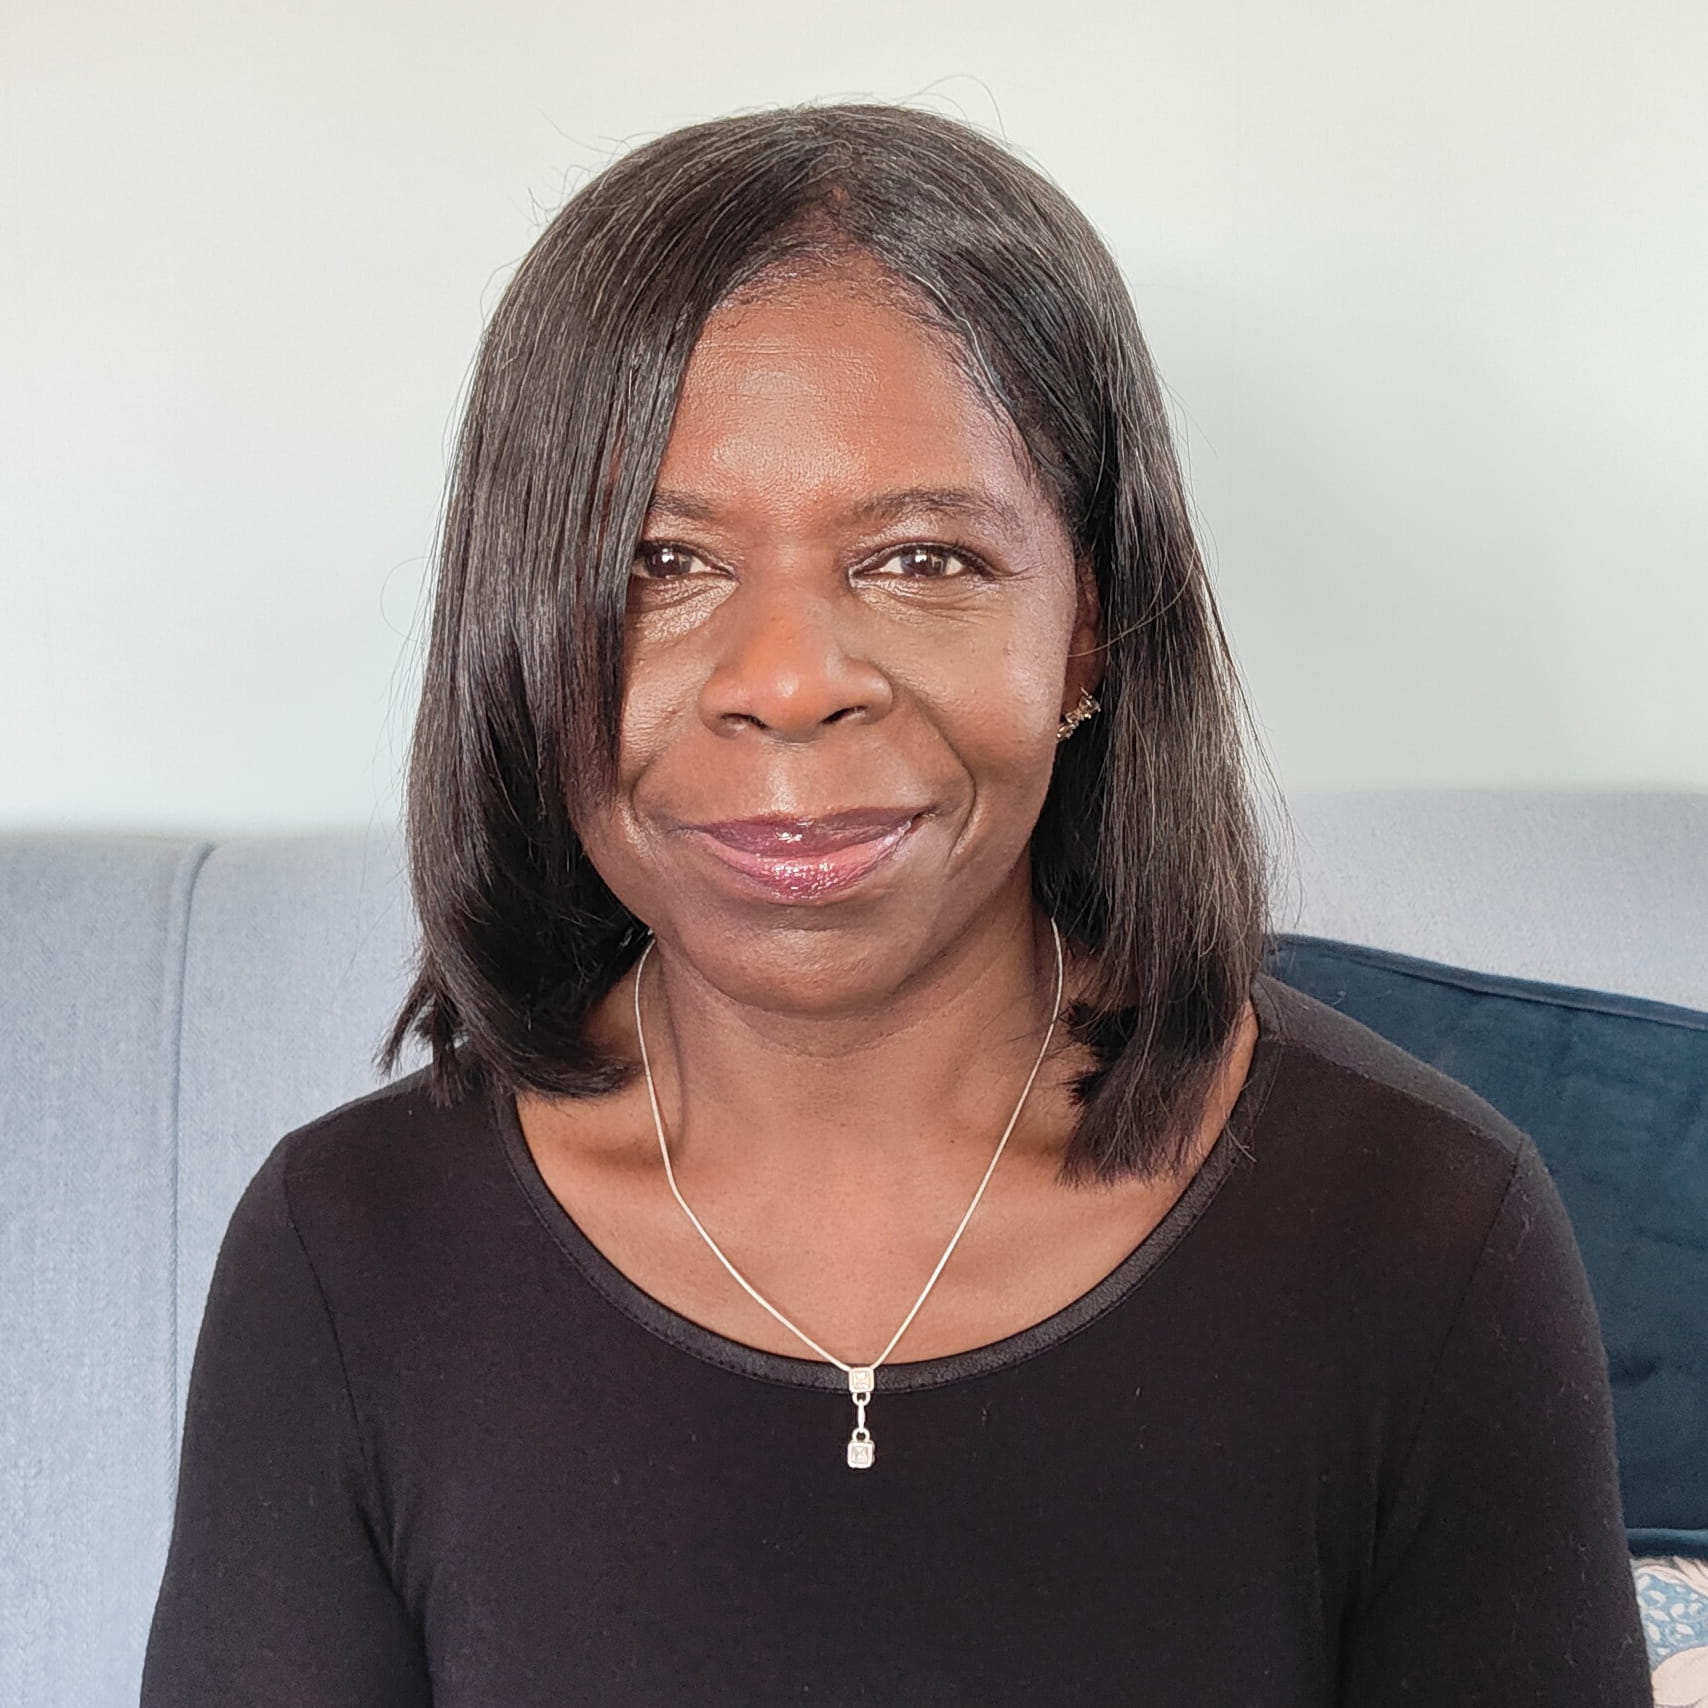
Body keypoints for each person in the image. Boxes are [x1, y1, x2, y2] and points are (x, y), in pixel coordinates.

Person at [140, 104, 1650, 1705]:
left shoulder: (1422, 1234)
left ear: (1091, 634)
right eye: (660, 563)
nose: (789, 686)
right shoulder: (353, 1253)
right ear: (518, 630)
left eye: (925, 560)